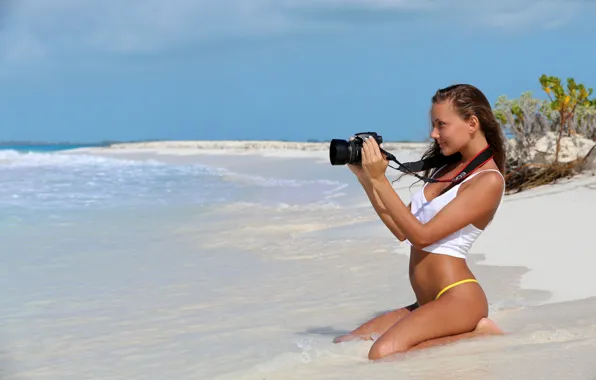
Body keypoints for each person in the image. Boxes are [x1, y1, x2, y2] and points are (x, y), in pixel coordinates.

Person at [333, 84, 507, 361]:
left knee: (382, 353)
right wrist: (366, 178)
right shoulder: (445, 169)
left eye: (441, 125)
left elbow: (422, 237)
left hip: (458, 298)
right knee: (346, 343)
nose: (433, 134)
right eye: (433, 125)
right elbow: (401, 229)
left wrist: (380, 179)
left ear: (472, 123)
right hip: (428, 301)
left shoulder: (488, 181)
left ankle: (479, 334)